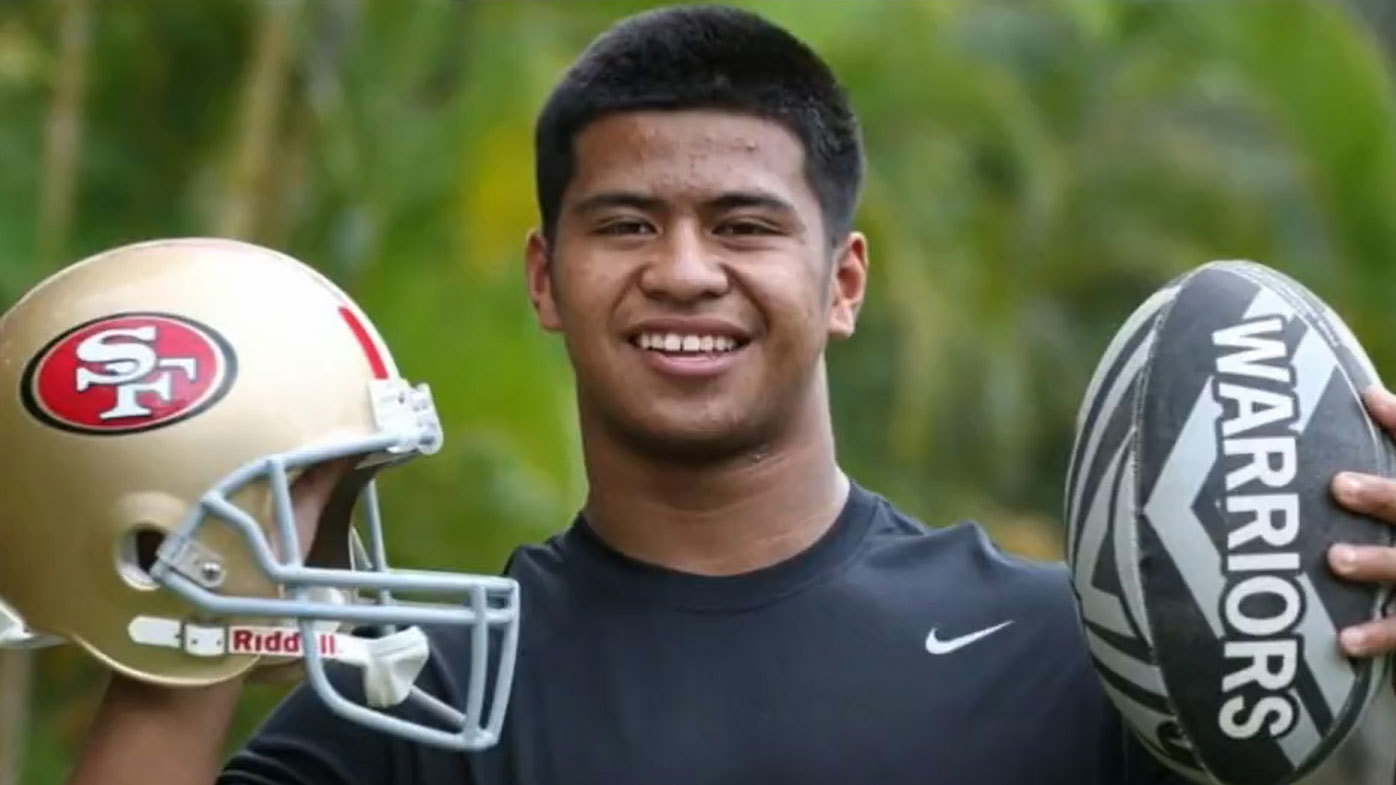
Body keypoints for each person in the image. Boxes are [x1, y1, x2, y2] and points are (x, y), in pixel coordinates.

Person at [58, 5, 1396, 785]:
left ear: (842, 281)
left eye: (745, 225)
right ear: (546, 277)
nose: (685, 271)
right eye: (626, 224)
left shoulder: (1079, 655)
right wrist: (191, 611)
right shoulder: (431, 690)